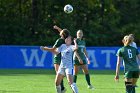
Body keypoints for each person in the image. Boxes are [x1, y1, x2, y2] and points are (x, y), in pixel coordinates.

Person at [47, 27, 70, 92]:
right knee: (60, 74)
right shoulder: (68, 40)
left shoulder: (59, 40)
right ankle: (62, 88)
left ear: (62, 34)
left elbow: (53, 49)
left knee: (58, 74)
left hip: (58, 57)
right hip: (64, 58)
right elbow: (64, 32)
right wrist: (58, 28)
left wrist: (45, 48)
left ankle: (61, 89)